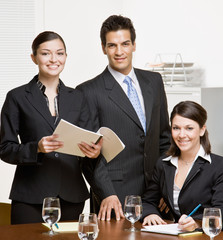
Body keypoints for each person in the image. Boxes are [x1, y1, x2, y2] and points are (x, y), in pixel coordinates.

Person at [0, 31, 102, 224]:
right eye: (46, 53)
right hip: (30, 196)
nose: (54, 59)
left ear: (66, 57)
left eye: (60, 53)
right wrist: (36, 148)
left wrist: (93, 152)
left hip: (72, 195)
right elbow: (6, 149)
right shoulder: (17, 97)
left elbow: (88, 140)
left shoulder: (78, 98)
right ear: (34, 58)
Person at [76, 15, 171, 221]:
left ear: (134, 45)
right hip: (114, 198)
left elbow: (165, 138)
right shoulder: (88, 91)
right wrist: (106, 193)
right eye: (112, 45)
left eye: (125, 44)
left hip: (157, 195)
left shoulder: (154, 81)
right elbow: (87, 155)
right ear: (103, 48)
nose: (119, 52)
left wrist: (167, 185)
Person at [141, 101, 223, 234]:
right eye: (176, 128)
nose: (181, 135)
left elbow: (222, 212)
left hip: (213, 235)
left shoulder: (221, 166)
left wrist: (196, 222)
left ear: (202, 130)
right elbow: (147, 201)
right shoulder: (164, 164)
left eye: (189, 128)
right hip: (181, 235)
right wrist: (150, 214)